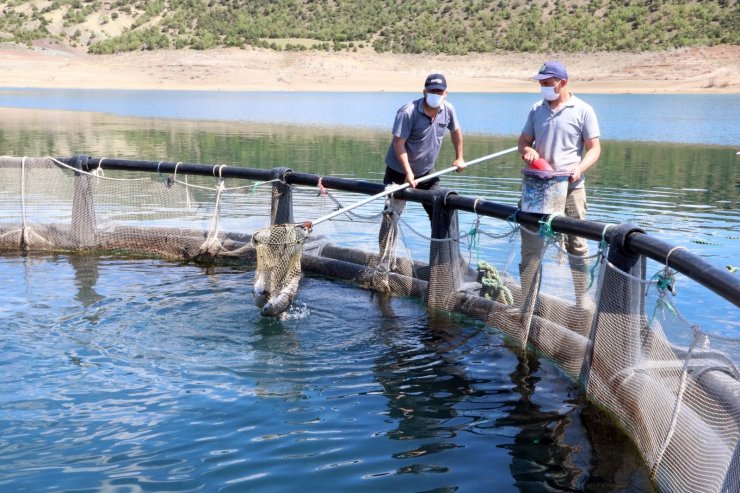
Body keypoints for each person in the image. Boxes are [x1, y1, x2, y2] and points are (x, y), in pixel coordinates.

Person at [516, 61, 601, 307]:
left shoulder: (583, 110)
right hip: (538, 189)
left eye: (547, 83)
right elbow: (523, 141)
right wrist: (528, 152)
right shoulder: (536, 109)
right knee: (531, 245)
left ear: (562, 83)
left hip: (571, 187)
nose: (543, 87)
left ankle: (581, 301)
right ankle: (527, 302)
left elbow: (594, 149)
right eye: (541, 83)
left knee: (577, 244)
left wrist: (580, 168)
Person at [383, 73, 465, 221]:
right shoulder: (408, 112)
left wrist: (459, 157)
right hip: (399, 172)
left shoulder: (448, 110)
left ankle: (438, 245)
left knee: (439, 214)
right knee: (390, 217)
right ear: (424, 92)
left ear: (445, 93)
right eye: (432, 91)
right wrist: (408, 173)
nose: (436, 94)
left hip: (427, 172)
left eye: (439, 91)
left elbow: (456, 131)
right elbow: (398, 144)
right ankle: (385, 244)